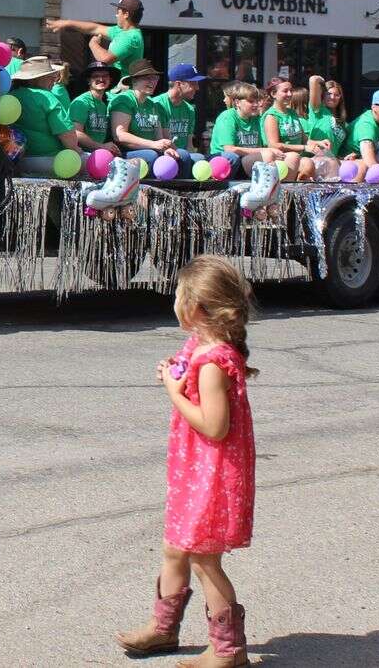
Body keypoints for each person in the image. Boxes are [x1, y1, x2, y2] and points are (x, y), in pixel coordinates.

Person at [115, 255, 256, 665]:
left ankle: (228, 650)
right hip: (193, 470)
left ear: (198, 307)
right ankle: (162, 629)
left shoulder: (213, 361)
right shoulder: (200, 345)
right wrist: (172, 371)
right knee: (175, 547)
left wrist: (174, 393)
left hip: (211, 474)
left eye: (179, 297)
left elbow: (214, 427)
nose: (175, 303)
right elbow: (184, 369)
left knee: (203, 559)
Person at [47, 0, 145, 81]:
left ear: (126, 14)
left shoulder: (130, 37)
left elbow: (105, 59)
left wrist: (93, 44)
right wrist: (67, 23)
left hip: (123, 92)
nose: (116, 15)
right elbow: (94, 28)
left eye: (118, 11)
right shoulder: (122, 31)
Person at [112, 58, 184, 173]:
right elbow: (120, 136)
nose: (153, 82)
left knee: (182, 156)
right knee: (151, 156)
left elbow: (159, 137)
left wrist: (165, 149)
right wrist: (153, 145)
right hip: (124, 153)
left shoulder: (153, 105)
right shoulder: (124, 100)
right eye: (147, 78)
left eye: (155, 78)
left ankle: (179, 190)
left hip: (151, 149)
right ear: (134, 81)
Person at [11, 55, 79, 175]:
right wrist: (78, 150)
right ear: (35, 79)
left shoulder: (11, 95)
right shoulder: (47, 97)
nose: (55, 79)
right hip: (51, 161)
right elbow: (69, 138)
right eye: (50, 76)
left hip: (17, 161)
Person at [262, 77, 326, 181]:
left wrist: (318, 143)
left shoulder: (292, 112)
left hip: (297, 158)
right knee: (303, 162)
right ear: (273, 94)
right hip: (280, 158)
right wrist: (304, 148)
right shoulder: (271, 116)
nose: (290, 94)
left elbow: (304, 139)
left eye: (291, 90)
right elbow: (274, 144)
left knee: (309, 165)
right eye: (285, 91)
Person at [208, 84, 277, 171]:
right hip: (225, 163)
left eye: (257, 101)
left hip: (249, 160)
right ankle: (267, 184)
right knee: (268, 154)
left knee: (291, 157)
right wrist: (265, 151)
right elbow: (229, 149)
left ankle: (286, 184)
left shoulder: (258, 118)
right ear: (237, 102)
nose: (256, 105)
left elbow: (267, 144)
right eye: (251, 101)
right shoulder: (228, 117)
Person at [70, 62, 123, 157]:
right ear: (88, 81)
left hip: (103, 151)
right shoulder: (81, 102)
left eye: (105, 76)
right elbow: (76, 133)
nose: (101, 79)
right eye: (96, 76)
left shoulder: (108, 102)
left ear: (110, 80)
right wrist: (101, 146)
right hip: (82, 153)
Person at [154, 63, 206, 157]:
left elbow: (189, 144)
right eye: (193, 83)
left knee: (199, 158)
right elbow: (165, 141)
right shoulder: (158, 104)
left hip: (183, 154)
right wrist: (185, 156)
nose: (197, 88)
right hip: (165, 154)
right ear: (178, 84)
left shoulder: (189, 109)